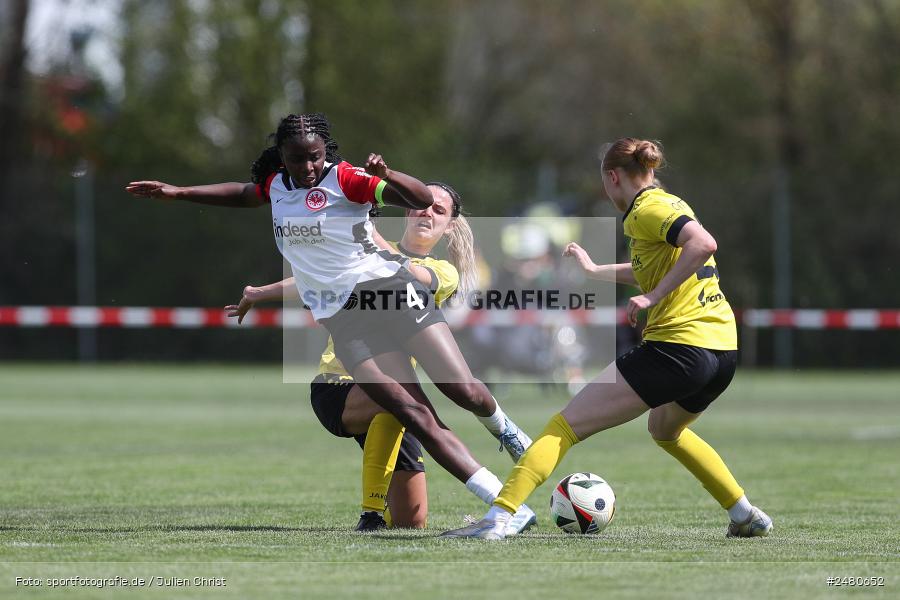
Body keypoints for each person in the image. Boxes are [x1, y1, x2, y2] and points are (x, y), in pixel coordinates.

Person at [125, 113, 535, 532]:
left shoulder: (346, 179)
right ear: (281, 158)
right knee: (415, 413)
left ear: (327, 153)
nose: (307, 168)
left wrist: (386, 174)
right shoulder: (277, 186)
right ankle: (508, 509)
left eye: (315, 158)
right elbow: (244, 194)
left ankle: (504, 429)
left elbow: (415, 199)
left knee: (460, 388)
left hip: (391, 292)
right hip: (347, 322)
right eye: (296, 159)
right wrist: (178, 192)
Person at [443, 137, 773, 540]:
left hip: (678, 348)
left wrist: (653, 297)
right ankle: (743, 513)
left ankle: (498, 518)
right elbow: (659, 264)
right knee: (666, 431)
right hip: (720, 351)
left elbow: (703, 245)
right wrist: (597, 270)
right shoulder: (670, 204)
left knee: (562, 428)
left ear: (613, 177)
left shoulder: (646, 209)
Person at [226, 182, 479, 530]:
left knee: (411, 522)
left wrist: (374, 245)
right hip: (339, 388)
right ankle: (371, 515)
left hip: (398, 405)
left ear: (450, 225)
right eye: (423, 205)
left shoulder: (442, 271)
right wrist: (259, 293)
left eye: (439, 210)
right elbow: (314, 279)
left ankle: (389, 509)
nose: (427, 213)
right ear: (408, 210)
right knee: (399, 398)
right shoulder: (368, 253)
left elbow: (413, 274)